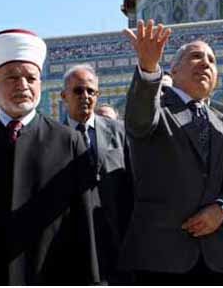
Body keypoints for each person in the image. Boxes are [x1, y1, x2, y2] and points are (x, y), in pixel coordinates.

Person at [120, 21, 223, 284]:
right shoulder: (157, 109)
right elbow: (139, 120)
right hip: (160, 259)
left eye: (212, 60)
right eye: (196, 56)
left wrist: (221, 209)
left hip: (213, 260)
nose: (205, 63)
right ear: (174, 69)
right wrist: (148, 68)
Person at [0, 29, 99, 285]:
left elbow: (85, 224)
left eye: (30, 78)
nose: (22, 85)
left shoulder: (68, 141)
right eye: (12, 77)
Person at [61, 63, 132, 284]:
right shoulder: (53, 138)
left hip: (117, 242)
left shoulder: (119, 132)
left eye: (91, 91)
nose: (85, 96)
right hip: (73, 244)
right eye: (78, 91)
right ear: (63, 96)